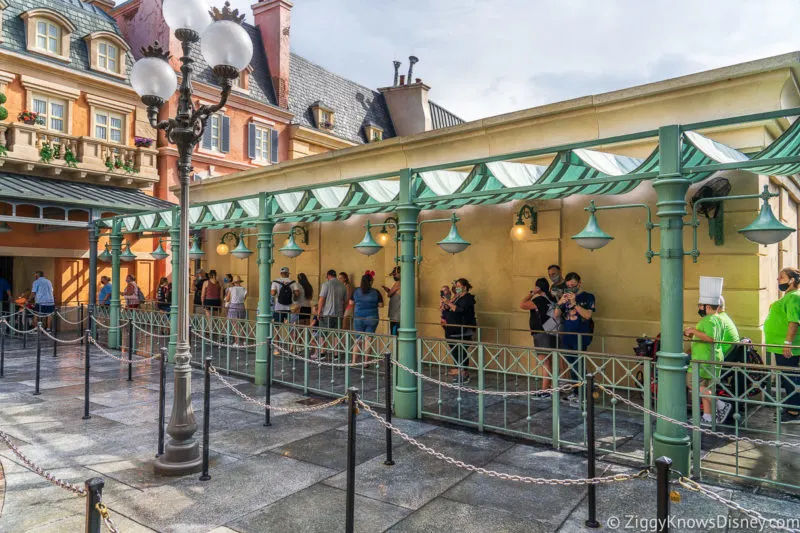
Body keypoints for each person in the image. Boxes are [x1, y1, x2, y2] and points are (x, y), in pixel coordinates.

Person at [684, 287, 732, 425]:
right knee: (706, 388)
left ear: (708, 306)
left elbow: (711, 338)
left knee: (692, 383)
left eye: (701, 305)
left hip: (703, 359)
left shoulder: (709, 320)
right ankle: (707, 417)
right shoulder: (718, 319)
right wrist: (694, 333)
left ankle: (721, 404)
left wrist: (693, 330)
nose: (699, 308)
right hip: (711, 358)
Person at [764, 267, 800, 424]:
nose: (778, 280)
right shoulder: (789, 296)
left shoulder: (793, 297)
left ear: (792, 280)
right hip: (780, 346)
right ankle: (791, 406)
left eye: (781, 277)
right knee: (787, 377)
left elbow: (793, 322)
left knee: (790, 377)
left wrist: (787, 343)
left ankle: (794, 412)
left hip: (785, 347)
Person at [554, 272, 595, 407]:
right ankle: (576, 391)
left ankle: (584, 394)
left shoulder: (588, 297)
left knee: (580, 366)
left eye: (573, 285)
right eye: (568, 285)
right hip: (567, 337)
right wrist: (561, 302)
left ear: (579, 283)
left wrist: (574, 303)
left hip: (581, 337)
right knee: (572, 366)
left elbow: (588, 315)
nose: (571, 287)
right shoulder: (564, 298)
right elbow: (556, 315)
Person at [520, 277, 558, 397]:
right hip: (551, 332)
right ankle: (549, 387)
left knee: (545, 362)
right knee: (549, 361)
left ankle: (545, 391)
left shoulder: (540, 300)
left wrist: (531, 293)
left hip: (541, 333)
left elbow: (522, 304)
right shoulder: (551, 299)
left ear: (538, 288)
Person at [443, 278, 476, 383]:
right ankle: (459, 371)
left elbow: (461, 310)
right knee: (455, 352)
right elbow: (448, 308)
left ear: (464, 287)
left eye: (458, 286)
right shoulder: (457, 297)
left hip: (463, 329)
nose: (456, 288)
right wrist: (446, 302)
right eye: (455, 286)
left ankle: (463, 374)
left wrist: (449, 303)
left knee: (461, 352)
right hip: (453, 330)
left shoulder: (468, 298)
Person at [350, 271, 384, 362]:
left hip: (358, 318)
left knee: (358, 339)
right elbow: (381, 305)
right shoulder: (376, 292)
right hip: (372, 318)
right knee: (368, 340)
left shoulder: (356, 291)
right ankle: (365, 362)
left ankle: (353, 362)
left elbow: (351, 303)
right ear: (370, 282)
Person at [382, 266, 401, 336]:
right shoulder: (403, 283)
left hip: (396, 316)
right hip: (397, 314)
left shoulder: (399, 283)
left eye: (395, 274)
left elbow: (389, 294)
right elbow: (393, 293)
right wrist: (388, 290)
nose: (394, 276)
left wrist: (388, 292)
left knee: (394, 335)